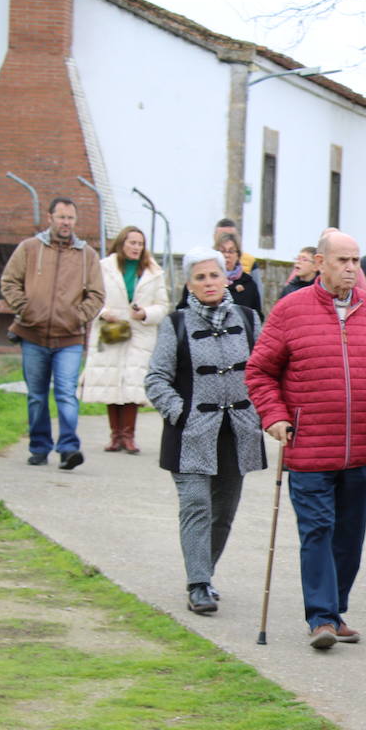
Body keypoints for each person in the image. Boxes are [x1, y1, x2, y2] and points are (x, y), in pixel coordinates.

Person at [245, 230, 366, 650]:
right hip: (309, 446)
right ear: (321, 263)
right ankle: (321, 617)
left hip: (361, 449)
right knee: (318, 529)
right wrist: (275, 416)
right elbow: (260, 371)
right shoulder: (290, 311)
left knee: (350, 535)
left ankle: (334, 611)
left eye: (356, 261)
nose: (352, 269)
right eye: (342, 261)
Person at [144, 248, 266, 614]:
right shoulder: (175, 324)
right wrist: (178, 412)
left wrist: (263, 411)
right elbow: (156, 379)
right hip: (191, 434)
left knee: (223, 512)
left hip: (238, 432)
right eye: (200, 277)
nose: (209, 283)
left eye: (214, 275)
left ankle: (205, 574)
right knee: (196, 506)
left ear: (227, 277)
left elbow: (264, 371)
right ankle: (197, 583)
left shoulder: (248, 318)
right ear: (189, 284)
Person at [0, 197, 104, 470]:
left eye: (70, 218)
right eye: (61, 217)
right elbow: (9, 281)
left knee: (66, 394)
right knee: (36, 395)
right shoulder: (29, 248)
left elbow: (96, 294)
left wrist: (76, 317)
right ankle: (39, 446)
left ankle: (69, 449)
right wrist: (26, 308)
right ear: (50, 218)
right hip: (32, 335)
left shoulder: (87, 256)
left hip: (68, 338)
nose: (66, 222)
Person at [79, 225, 171, 454]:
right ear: (122, 243)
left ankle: (129, 436)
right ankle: (115, 436)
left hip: (139, 331)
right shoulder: (104, 268)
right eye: (132, 243)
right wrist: (103, 313)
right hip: (112, 329)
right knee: (112, 380)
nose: (136, 248)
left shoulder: (153, 272)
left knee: (133, 382)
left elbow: (163, 306)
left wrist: (145, 313)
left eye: (140, 244)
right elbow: (91, 297)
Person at [177, 233, 261, 316]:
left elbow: (257, 316)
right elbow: (183, 310)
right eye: (222, 251)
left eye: (231, 251)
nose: (226, 255)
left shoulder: (249, 284)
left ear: (238, 255)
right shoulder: (195, 281)